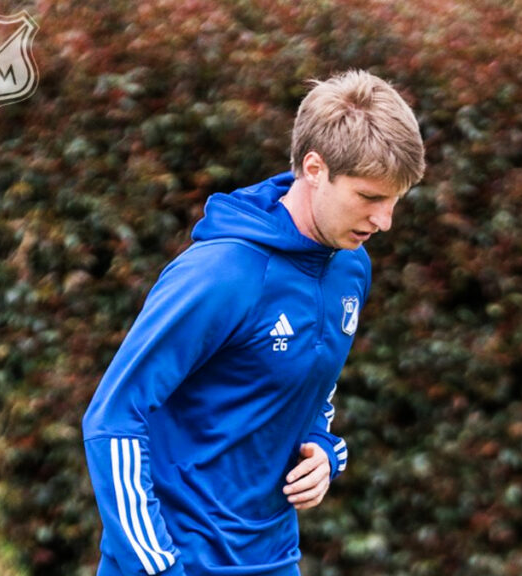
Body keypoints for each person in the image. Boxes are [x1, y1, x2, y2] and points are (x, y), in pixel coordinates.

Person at [82, 70, 425, 576]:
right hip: (177, 562)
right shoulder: (221, 274)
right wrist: (155, 565)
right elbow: (113, 417)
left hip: (275, 559)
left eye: (395, 200)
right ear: (315, 168)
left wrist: (325, 452)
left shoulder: (351, 267)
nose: (384, 221)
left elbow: (311, 388)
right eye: (369, 198)